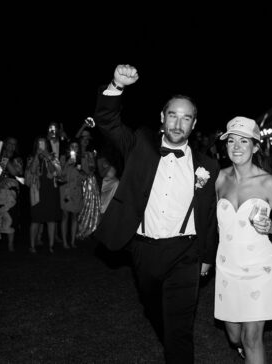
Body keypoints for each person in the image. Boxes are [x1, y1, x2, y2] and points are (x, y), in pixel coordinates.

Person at [92, 64, 220, 364]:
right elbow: (107, 120)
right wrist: (116, 86)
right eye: (172, 115)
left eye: (185, 118)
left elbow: (209, 215)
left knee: (180, 327)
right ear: (162, 119)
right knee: (153, 309)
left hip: (186, 251)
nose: (178, 124)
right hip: (144, 249)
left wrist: (206, 257)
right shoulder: (140, 145)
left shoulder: (208, 166)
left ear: (194, 123)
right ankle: (171, 339)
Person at [213, 117, 272, 363]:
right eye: (232, 141)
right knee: (234, 335)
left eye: (244, 141)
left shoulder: (268, 182)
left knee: (251, 338)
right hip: (227, 266)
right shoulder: (218, 179)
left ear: (256, 147)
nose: (236, 147)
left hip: (260, 268)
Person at [26, 137, 62, 253]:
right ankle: (32, 245)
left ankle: (51, 246)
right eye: (39, 143)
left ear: (47, 144)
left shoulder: (52, 156)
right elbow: (31, 170)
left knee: (51, 219)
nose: (42, 145)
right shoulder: (31, 157)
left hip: (50, 190)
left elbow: (55, 172)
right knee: (36, 219)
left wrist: (48, 157)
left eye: (44, 143)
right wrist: (37, 156)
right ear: (36, 145)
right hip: (37, 191)